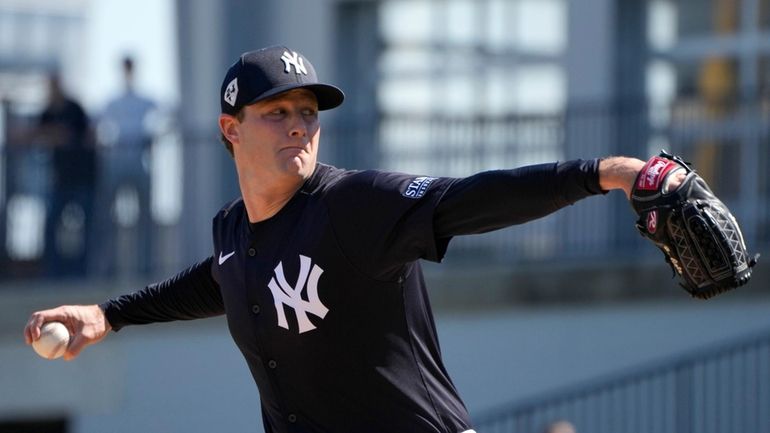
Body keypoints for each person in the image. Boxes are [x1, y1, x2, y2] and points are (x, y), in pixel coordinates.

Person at [24, 46, 681, 433]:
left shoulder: (353, 205)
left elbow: (469, 197)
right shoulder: (232, 231)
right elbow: (220, 277)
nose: (298, 126)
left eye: (307, 113)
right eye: (276, 112)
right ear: (230, 130)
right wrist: (109, 314)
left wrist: (608, 174)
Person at [93, 56, 157, 276]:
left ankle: (145, 267)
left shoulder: (143, 100)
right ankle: (108, 267)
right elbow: (95, 122)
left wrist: (153, 137)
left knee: (144, 217)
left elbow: (169, 114)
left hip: (138, 161)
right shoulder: (114, 102)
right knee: (108, 216)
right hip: (117, 161)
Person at [35, 73, 96, 277]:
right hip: (60, 180)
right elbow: (37, 134)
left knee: (86, 228)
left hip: (82, 179)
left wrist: (61, 135)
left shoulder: (75, 109)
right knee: (51, 225)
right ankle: (53, 272)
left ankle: (83, 272)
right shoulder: (46, 113)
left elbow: (84, 135)